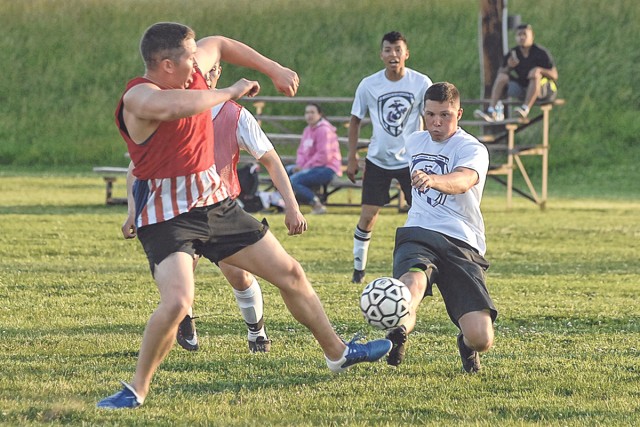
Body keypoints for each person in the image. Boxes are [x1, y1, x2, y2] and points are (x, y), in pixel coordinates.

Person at [98, 22, 391, 410]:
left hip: (216, 205)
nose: (198, 64)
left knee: (290, 273)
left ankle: (338, 353)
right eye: (189, 58)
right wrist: (231, 91)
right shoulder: (139, 96)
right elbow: (174, 108)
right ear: (166, 64)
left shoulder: (191, 70)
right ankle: (136, 390)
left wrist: (274, 69)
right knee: (178, 302)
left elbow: (220, 43)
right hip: (168, 216)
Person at [121, 61, 305, 354]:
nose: (207, 73)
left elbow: (270, 160)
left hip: (221, 208)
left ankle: (257, 332)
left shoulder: (235, 115)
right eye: (201, 68)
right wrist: (133, 210)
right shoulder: (173, 110)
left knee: (239, 274)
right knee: (180, 277)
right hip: (176, 212)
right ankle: (186, 322)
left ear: (219, 73)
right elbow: (136, 167)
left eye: (213, 68)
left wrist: (292, 207)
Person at [383, 82, 498, 373]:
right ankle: (399, 331)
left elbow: (463, 180)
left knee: (481, 338)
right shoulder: (415, 141)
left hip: (462, 240)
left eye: (445, 115)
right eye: (431, 114)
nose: (436, 122)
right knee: (414, 282)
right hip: (418, 233)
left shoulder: (471, 148)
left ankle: (465, 343)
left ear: (459, 113)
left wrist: (434, 180)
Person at [346, 31, 432, 284]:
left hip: (411, 161)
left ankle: (423, 266)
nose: (393, 55)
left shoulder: (421, 82)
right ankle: (358, 269)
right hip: (378, 160)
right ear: (381, 54)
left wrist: (429, 155)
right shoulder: (369, 84)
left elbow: (429, 119)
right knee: (369, 215)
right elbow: (354, 120)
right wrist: (352, 157)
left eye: (397, 49)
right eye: (387, 50)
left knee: (421, 214)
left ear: (406, 53)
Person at [474, 23, 558, 121]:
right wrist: (509, 67)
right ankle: (491, 110)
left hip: (543, 91)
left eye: (524, 34)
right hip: (523, 89)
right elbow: (501, 72)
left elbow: (555, 75)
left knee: (535, 74)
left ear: (532, 36)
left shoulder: (540, 53)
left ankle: (525, 109)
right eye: (519, 35)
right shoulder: (513, 53)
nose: (521, 37)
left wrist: (539, 70)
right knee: (502, 76)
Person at [286, 103, 342, 214]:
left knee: (293, 181)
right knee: (283, 172)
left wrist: (304, 168)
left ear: (319, 114)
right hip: (310, 167)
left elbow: (324, 156)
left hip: (327, 169)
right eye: (307, 112)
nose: (309, 115)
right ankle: (283, 206)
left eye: (312, 112)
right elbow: (301, 152)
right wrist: (300, 166)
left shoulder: (324, 130)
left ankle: (317, 205)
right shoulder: (307, 130)